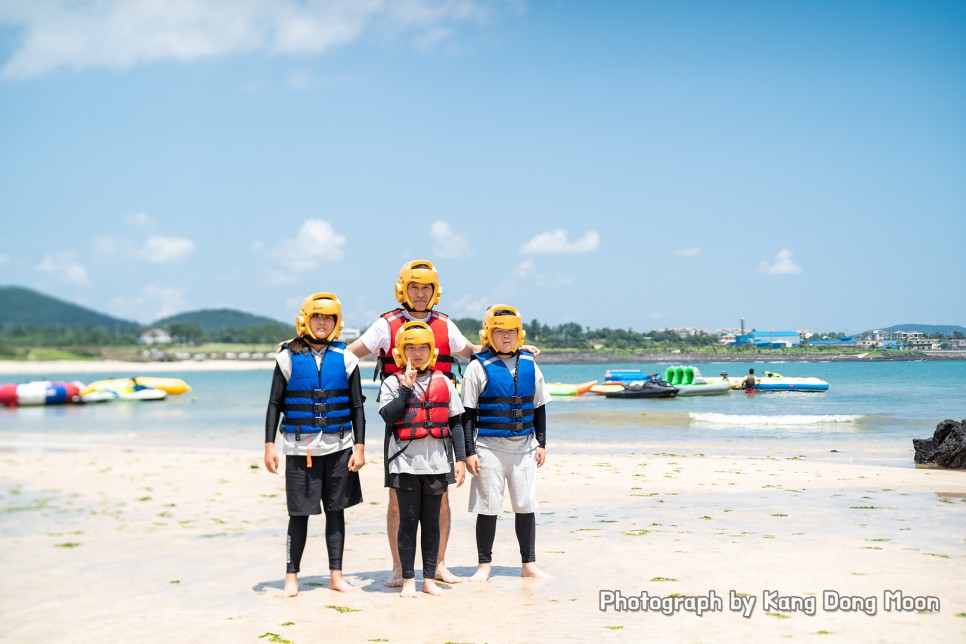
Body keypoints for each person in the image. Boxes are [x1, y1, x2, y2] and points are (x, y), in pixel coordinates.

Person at [263, 293, 366, 597]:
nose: (322, 323)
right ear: (305, 320)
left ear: (336, 323)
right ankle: (291, 576)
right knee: (299, 515)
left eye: (328, 318)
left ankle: (336, 575)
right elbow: (274, 404)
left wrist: (360, 447)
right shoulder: (286, 357)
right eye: (317, 317)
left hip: (339, 449)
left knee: (337, 512)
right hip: (299, 450)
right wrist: (269, 444)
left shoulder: (347, 359)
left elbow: (358, 407)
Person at [461, 304, 551, 580]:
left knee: (525, 505)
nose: (506, 337)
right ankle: (484, 566)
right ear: (488, 334)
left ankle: (529, 564)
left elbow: (539, 407)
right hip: (489, 448)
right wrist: (469, 452)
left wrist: (542, 442)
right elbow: (467, 414)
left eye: (511, 331)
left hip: (524, 448)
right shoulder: (477, 368)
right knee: (487, 507)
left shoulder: (530, 366)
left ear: (519, 334)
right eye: (499, 332)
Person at [378, 321, 466, 597]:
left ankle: (428, 578)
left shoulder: (445, 383)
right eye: (411, 348)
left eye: (423, 348)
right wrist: (405, 389)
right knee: (407, 521)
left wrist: (460, 459)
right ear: (401, 352)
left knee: (431, 522)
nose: (417, 353)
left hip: (438, 464)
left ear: (432, 351)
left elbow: (456, 424)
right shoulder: (392, 383)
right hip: (405, 465)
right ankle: (407, 580)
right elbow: (389, 416)